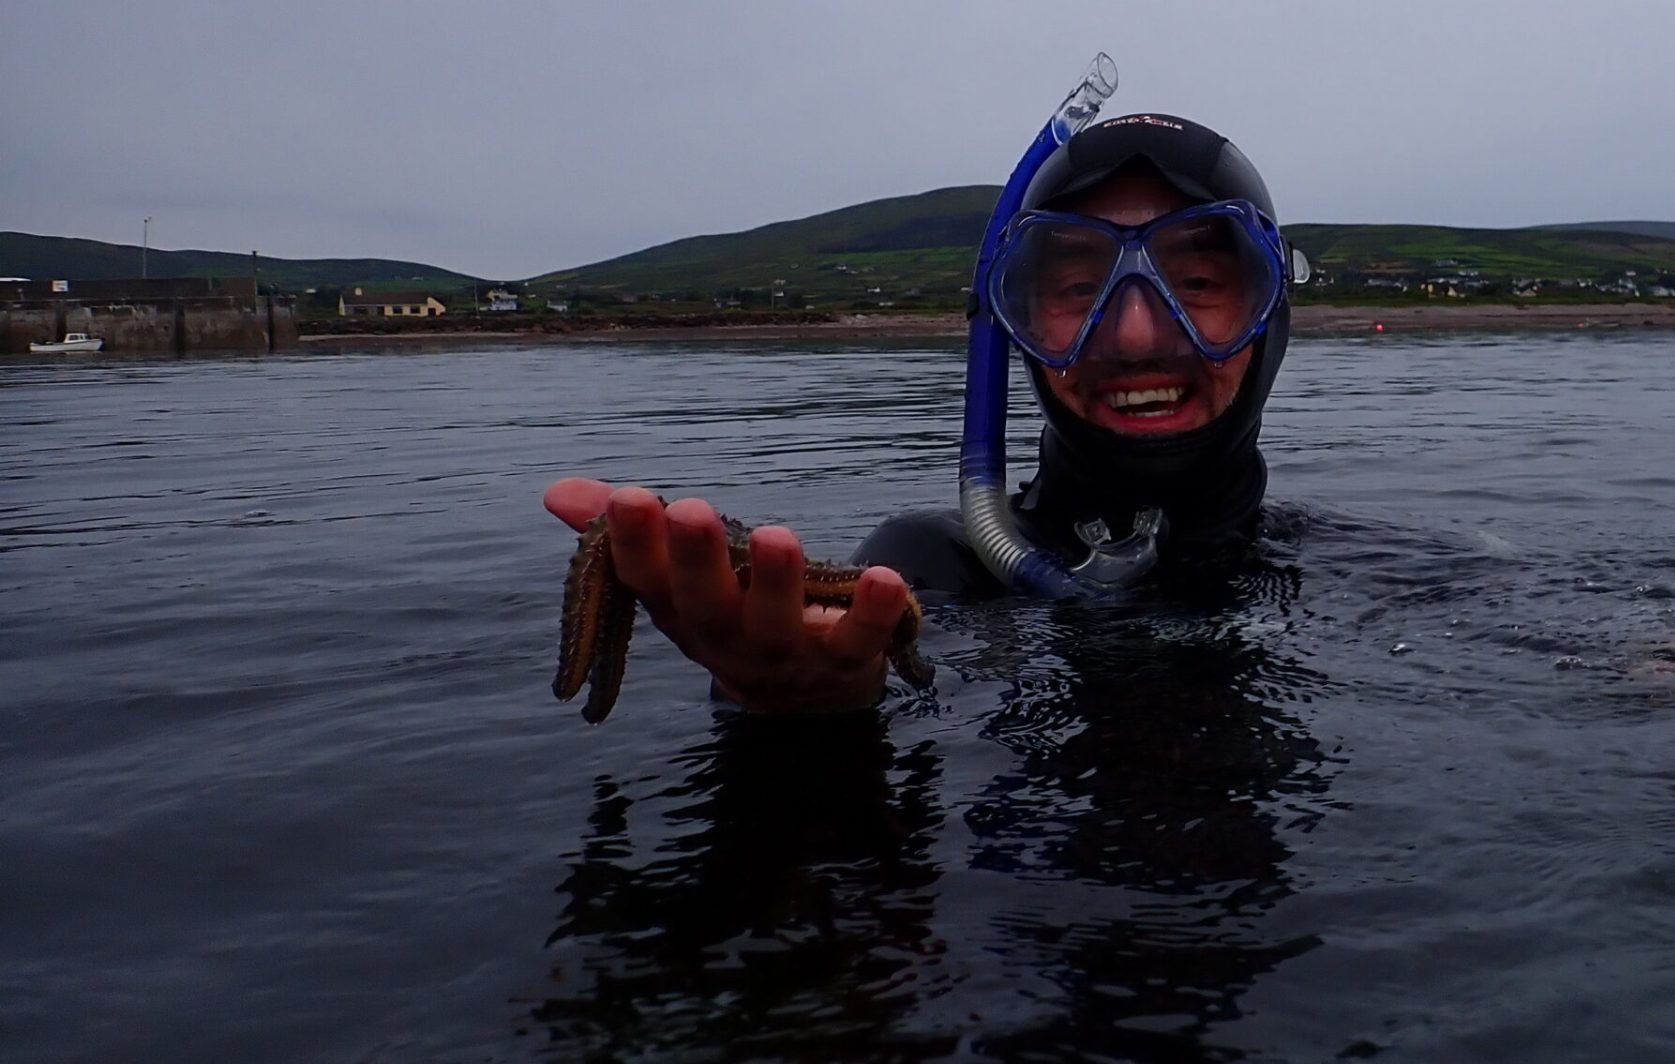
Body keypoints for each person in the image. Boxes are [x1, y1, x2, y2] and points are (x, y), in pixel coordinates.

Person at [542, 107, 1304, 716]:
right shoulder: (932, 570)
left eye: (1198, 281)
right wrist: (803, 708)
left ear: (1273, 313)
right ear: (1014, 325)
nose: (1136, 335)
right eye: (1078, 289)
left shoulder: (1393, 576)